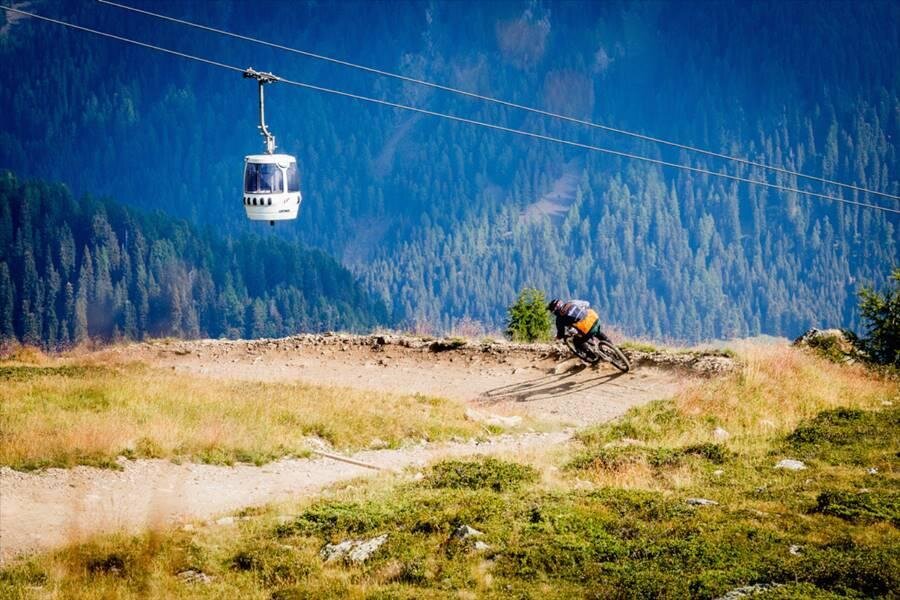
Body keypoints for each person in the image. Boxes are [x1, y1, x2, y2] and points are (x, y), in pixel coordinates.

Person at [547, 298, 611, 348]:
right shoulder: (572, 302)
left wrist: (556, 338)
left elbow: (561, 334)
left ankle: (592, 357)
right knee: (597, 332)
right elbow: (587, 303)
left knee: (576, 342)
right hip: (595, 319)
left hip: (586, 329)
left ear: (555, 311)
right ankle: (611, 345)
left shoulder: (559, 319)